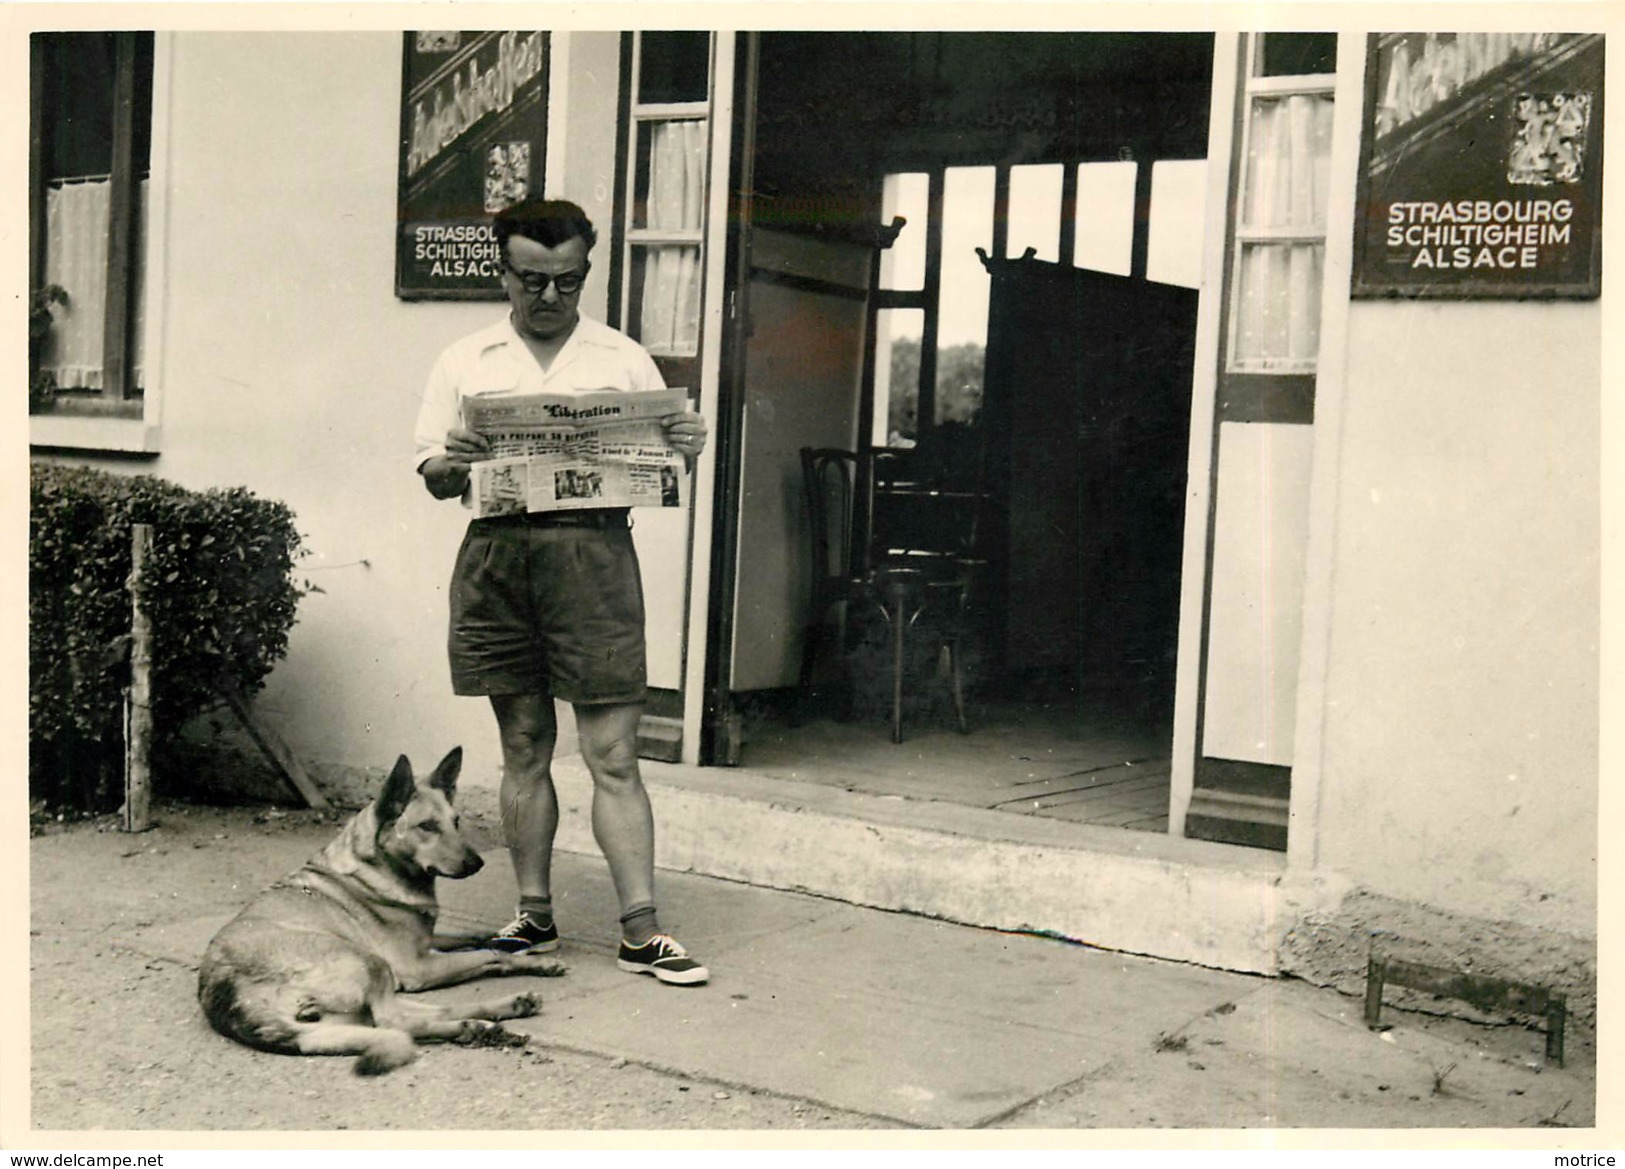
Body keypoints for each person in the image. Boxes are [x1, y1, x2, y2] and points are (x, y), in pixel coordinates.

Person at [413, 197, 710, 986]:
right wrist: (453, 457)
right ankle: (532, 915)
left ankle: (641, 930)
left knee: (612, 751)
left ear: (587, 272)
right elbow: (436, 480)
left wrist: (688, 445)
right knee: (522, 746)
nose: (548, 300)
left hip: (594, 560)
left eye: (568, 284)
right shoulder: (465, 359)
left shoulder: (620, 358)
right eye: (532, 282)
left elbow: (662, 473)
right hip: (497, 561)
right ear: (501, 271)